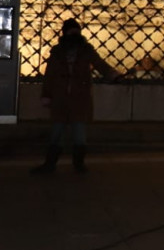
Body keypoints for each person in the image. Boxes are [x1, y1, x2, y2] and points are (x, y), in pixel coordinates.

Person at [30, 19, 120, 175]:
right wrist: (47, 94)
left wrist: (113, 75)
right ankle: (50, 164)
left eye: (76, 32)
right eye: (71, 32)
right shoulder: (57, 51)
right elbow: (50, 75)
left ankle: (78, 164)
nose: (74, 35)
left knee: (79, 133)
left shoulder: (86, 50)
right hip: (61, 98)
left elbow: (100, 64)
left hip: (79, 98)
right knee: (56, 132)